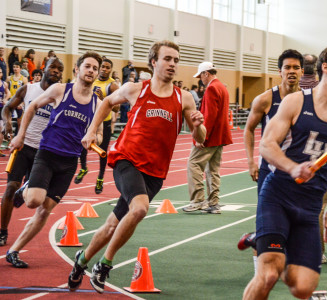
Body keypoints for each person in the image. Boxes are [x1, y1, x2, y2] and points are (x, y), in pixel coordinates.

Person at [67, 40, 205, 294]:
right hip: (126, 159)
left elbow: (201, 139)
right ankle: (104, 265)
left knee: (112, 225)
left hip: (155, 172)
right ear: (154, 62)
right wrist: (91, 129)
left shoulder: (183, 97)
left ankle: (82, 260)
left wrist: (197, 124)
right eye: (167, 59)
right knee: (140, 208)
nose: (173, 64)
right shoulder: (135, 89)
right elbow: (107, 102)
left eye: (176, 60)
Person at [242, 41, 327, 300]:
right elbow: (267, 145)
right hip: (278, 195)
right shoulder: (295, 102)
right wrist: (293, 168)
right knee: (269, 272)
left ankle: (263, 240)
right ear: (326, 68)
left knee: (303, 287)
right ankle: (268, 242)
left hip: (310, 205)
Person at [4, 52, 102, 268]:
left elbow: (99, 133)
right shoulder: (60, 90)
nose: (91, 71)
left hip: (69, 163)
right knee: (33, 201)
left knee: (45, 209)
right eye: (87, 66)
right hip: (47, 153)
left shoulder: (98, 104)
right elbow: (31, 107)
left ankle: (14, 251)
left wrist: (94, 137)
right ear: (77, 69)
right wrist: (20, 135)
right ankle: (26, 189)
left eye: (95, 68)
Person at [241, 49, 304, 272]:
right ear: (279, 71)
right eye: (287, 67)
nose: (291, 71)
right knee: (266, 219)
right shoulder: (266, 99)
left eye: (296, 67)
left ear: (302, 71)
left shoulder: (308, 101)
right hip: (270, 172)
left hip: (295, 172)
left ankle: (260, 241)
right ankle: (260, 268)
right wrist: (251, 161)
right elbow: (248, 129)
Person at [0, 58, 63, 247]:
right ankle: (2, 231)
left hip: (44, 152)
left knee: (36, 197)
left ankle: (25, 188)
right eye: (52, 67)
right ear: (44, 68)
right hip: (23, 146)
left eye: (60, 69)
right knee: (10, 187)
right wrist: (8, 121)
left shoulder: (61, 96)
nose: (56, 71)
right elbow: (7, 107)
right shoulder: (28, 89)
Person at [183, 62, 233, 214]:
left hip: (210, 136)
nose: (200, 80)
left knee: (193, 163)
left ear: (206, 73)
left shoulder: (211, 88)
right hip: (220, 135)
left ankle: (197, 200)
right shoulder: (222, 87)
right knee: (213, 169)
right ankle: (213, 203)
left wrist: (201, 138)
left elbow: (209, 116)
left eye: (200, 76)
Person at [74, 58, 119, 194]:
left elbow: (116, 108)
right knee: (82, 144)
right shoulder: (91, 79)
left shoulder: (112, 86)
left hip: (103, 122)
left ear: (111, 70)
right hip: (88, 119)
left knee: (102, 152)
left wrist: (104, 100)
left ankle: (100, 178)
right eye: (103, 67)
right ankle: (83, 168)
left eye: (107, 67)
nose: (104, 69)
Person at [0, 68, 11, 157]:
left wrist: (5, 99)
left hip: (1, 109)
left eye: (0, 72)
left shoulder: (4, 84)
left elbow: (9, 93)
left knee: (1, 130)